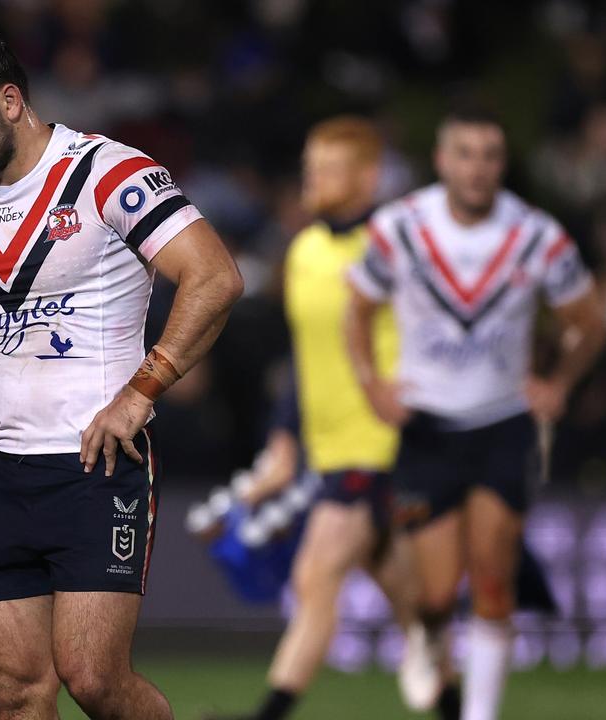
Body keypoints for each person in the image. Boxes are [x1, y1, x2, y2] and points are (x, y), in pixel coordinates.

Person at [0, 30, 244, 720]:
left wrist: (144, 391)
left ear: (11, 100)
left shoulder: (108, 173)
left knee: (93, 679)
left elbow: (214, 278)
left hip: (97, 465)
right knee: (17, 693)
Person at [345, 107, 606, 720]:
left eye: (490, 155)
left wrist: (559, 380)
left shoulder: (537, 235)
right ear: (442, 161)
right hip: (426, 427)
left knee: (492, 580)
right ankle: (427, 636)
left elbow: (588, 321)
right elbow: (356, 309)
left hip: (503, 424)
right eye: (465, 153)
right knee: (435, 592)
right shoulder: (400, 228)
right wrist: (371, 385)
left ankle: (479, 713)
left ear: (503, 163)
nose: (478, 167)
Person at [205, 116, 450, 720]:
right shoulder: (307, 250)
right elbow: (303, 353)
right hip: (328, 447)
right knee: (406, 600)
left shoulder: (396, 246)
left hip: (386, 442)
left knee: (317, 574)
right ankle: (457, 702)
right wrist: (284, 441)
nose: (312, 177)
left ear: (367, 177)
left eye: (329, 169)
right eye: (310, 166)